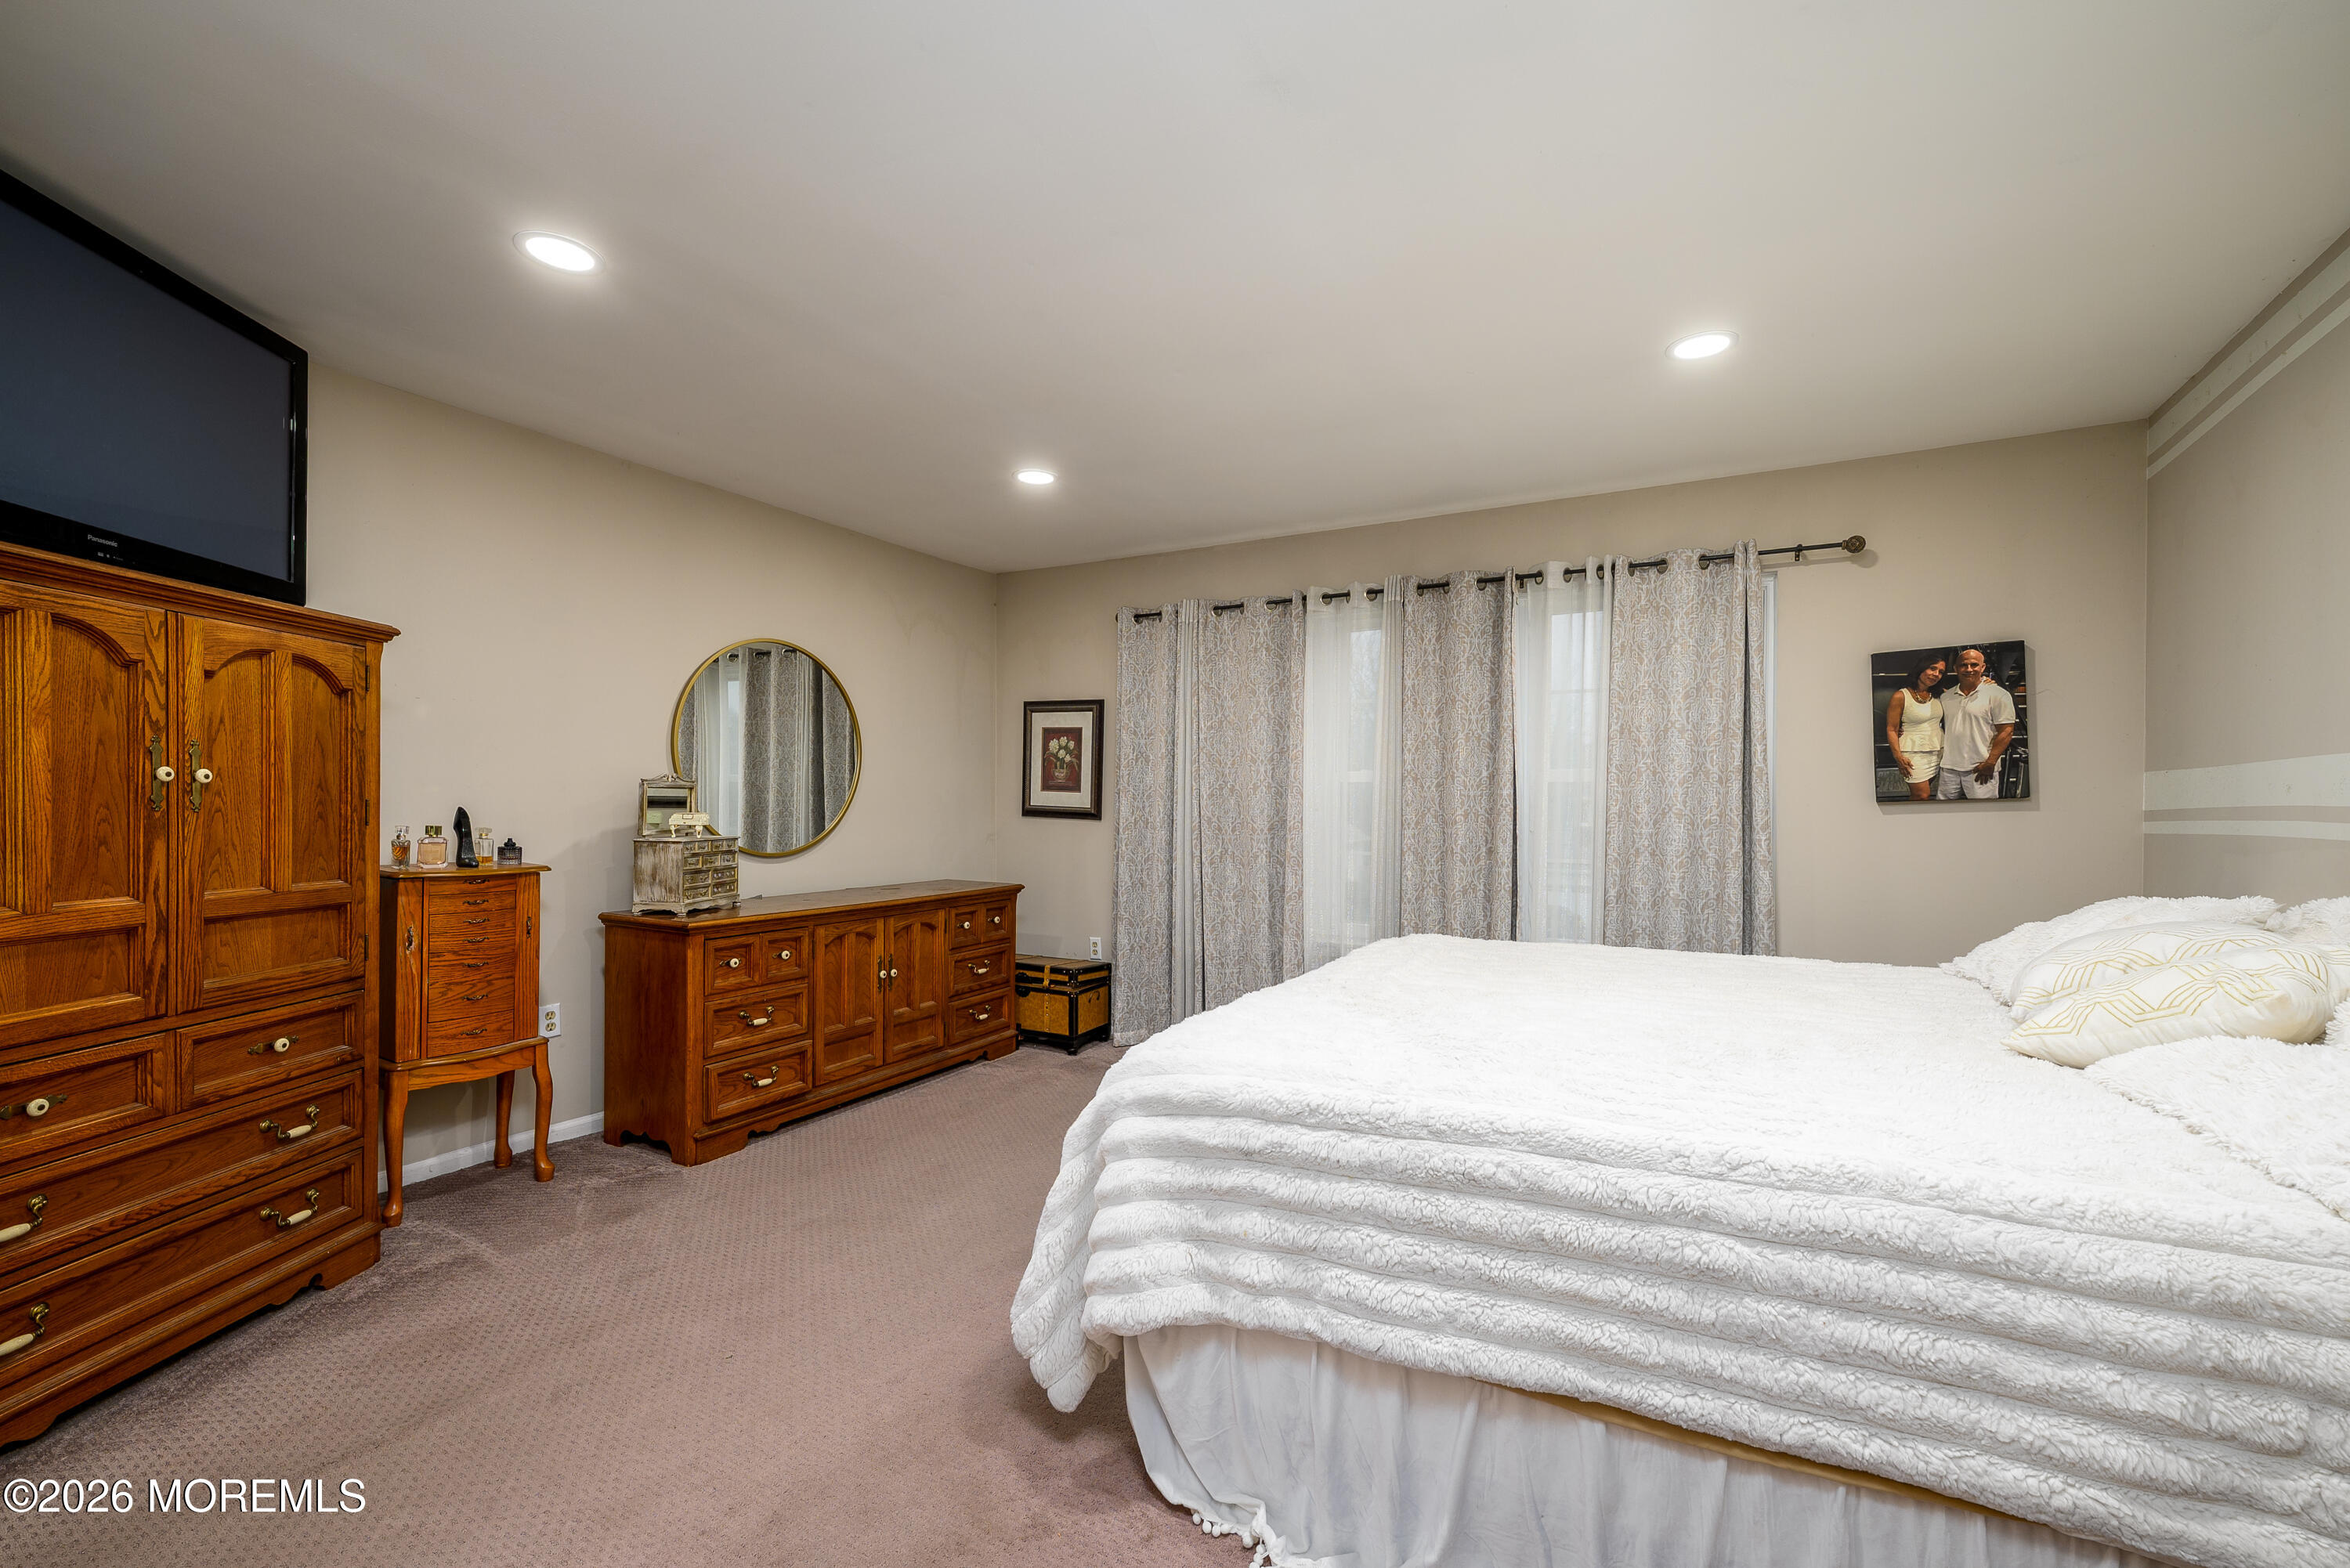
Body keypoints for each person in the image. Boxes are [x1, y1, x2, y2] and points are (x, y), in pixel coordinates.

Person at [1936, 646, 2015, 799]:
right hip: (1949, 768)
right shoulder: (1947, 696)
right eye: (1963, 665)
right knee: (1944, 816)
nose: (1969, 669)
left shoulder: (1998, 695)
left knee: (1985, 816)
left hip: (1981, 769)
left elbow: (2007, 731)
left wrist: (1991, 763)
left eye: (1974, 665)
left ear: (1983, 667)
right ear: (1956, 668)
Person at [1884, 656, 1946, 800]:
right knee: (1922, 795)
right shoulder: (1900, 696)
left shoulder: (1940, 694)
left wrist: (1985, 682)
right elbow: (1891, 729)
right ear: (1920, 669)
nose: (1936, 674)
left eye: (1941, 672)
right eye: (1932, 668)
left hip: (1937, 751)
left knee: (1922, 795)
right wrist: (1898, 757)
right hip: (1912, 753)